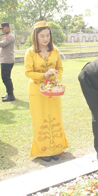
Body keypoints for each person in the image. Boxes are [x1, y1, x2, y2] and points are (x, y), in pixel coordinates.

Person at [25, 22, 67, 162]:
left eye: (47, 35)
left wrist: (55, 78)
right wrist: (44, 76)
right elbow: (28, 72)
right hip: (37, 91)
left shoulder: (54, 50)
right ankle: (43, 151)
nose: (45, 38)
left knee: (55, 117)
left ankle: (55, 149)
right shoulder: (30, 52)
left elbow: (60, 68)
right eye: (41, 36)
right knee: (40, 119)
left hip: (53, 91)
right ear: (36, 37)